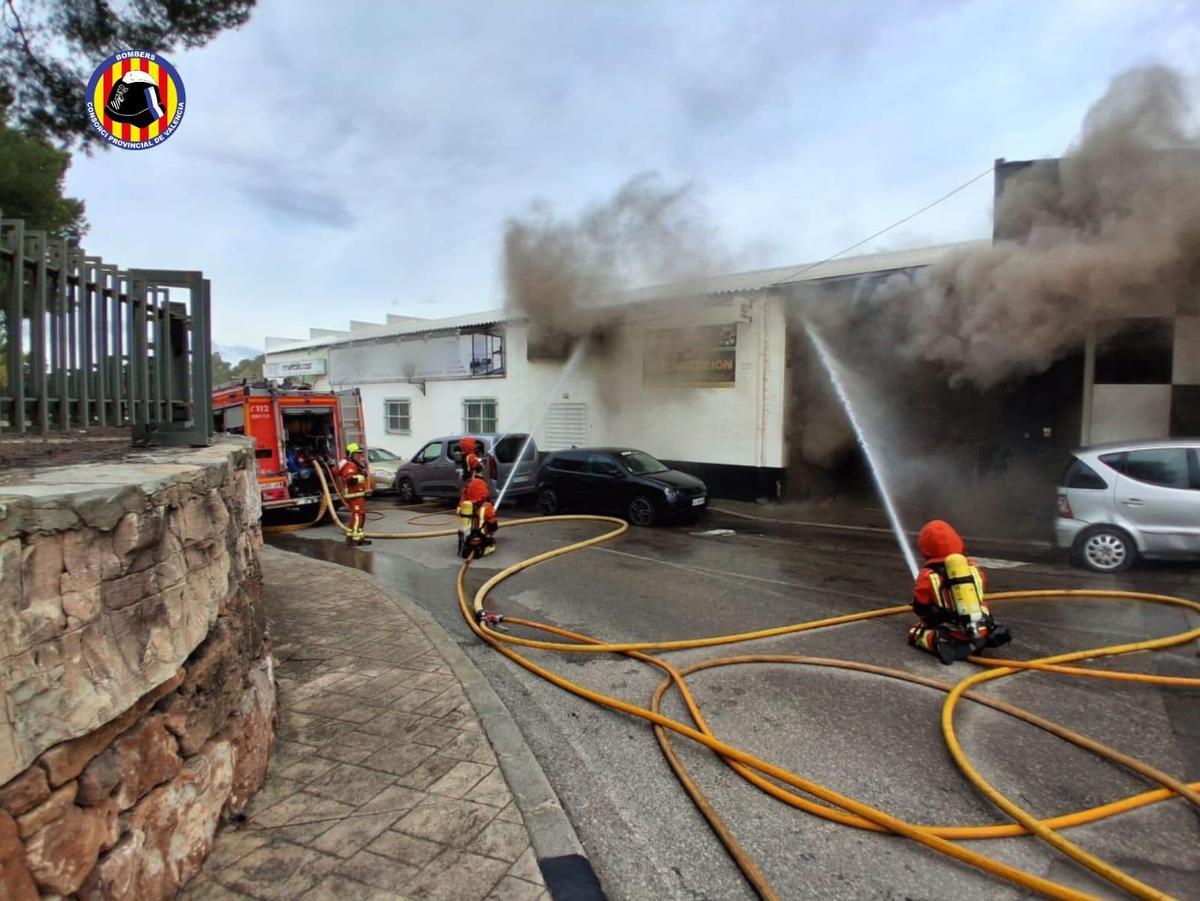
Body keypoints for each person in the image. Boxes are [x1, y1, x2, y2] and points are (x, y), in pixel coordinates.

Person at [908, 519, 1010, 664]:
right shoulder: (973, 568)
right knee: (983, 605)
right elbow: (979, 593)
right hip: (979, 625)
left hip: (951, 630)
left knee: (915, 632)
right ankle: (984, 636)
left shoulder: (927, 576)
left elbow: (921, 605)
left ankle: (939, 642)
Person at [457, 470, 499, 559]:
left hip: (465, 537)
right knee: (492, 524)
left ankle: (466, 543)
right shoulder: (487, 507)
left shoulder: (466, 504)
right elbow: (493, 524)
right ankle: (484, 543)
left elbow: (461, 504)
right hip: (480, 537)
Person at [337, 443, 372, 547]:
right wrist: (362, 476)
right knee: (357, 516)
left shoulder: (355, 464)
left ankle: (355, 537)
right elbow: (350, 479)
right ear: (351, 454)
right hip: (354, 495)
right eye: (357, 454)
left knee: (359, 515)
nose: (359, 456)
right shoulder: (350, 465)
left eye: (360, 454)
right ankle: (355, 539)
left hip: (358, 494)